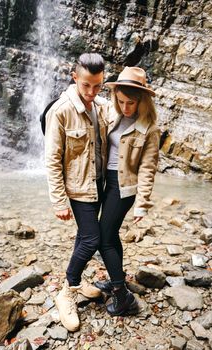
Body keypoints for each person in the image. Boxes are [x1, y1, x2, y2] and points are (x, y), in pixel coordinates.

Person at [45, 53, 108, 331]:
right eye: (86, 86)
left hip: (99, 185)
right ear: (75, 78)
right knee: (93, 239)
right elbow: (52, 159)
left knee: (84, 236)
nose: (91, 92)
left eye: (97, 86)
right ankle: (66, 292)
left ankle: (77, 283)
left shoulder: (101, 106)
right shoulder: (60, 111)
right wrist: (59, 201)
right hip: (78, 189)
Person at [95, 66, 160, 316]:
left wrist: (142, 203)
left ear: (142, 101)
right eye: (120, 101)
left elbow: (147, 168)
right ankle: (116, 280)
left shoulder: (149, 129)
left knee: (103, 238)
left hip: (124, 188)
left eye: (131, 103)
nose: (125, 107)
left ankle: (123, 297)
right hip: (104, 181)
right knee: (110, 236)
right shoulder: (112, 112)